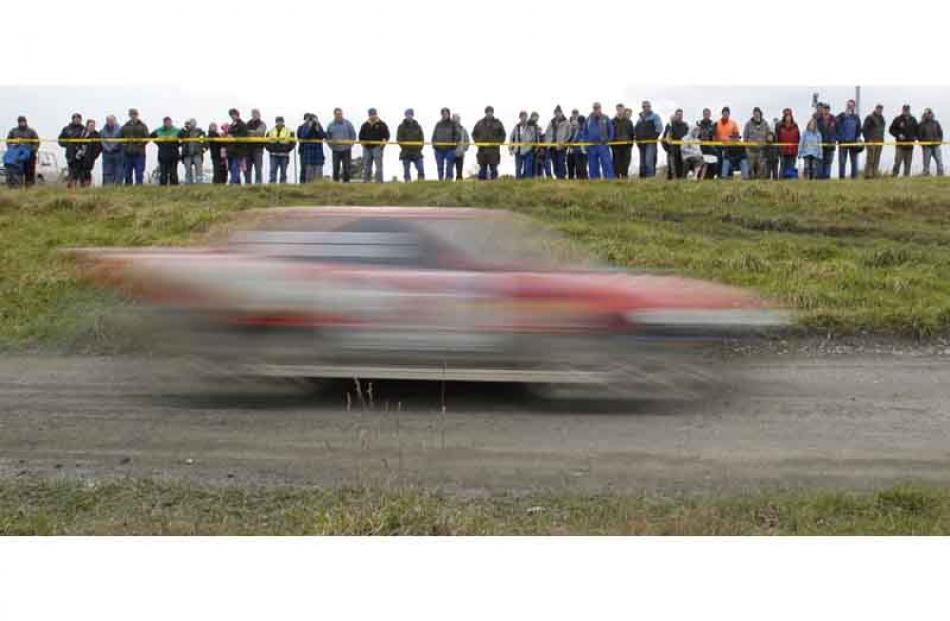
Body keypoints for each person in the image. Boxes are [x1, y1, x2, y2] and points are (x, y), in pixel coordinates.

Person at [471, 106, 505, 180]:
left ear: (493, 113)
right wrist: (478, 142)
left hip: (494, 150)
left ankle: (494, 184)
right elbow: (474, 134)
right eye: (488, 112)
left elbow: (503, 135)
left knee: (494, 169)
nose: (489, 113)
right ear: (485, 113)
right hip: (482, 150)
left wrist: (498, 142)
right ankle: (481, 185)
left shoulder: (498, 123)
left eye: (491, 112)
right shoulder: (479, 123)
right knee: (482, 169)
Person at [580, 102, 613, 179]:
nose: (596, 109)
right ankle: (594, 180)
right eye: (595, 108)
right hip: (591, 146)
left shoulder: (606, 118)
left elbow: (611, 130)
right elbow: (584, 132)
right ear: (593, 109)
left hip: (603, 145)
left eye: (598, 108)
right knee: (592, 165)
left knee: (606, 163)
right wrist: (585, 143)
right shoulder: (588, 119)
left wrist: (608, 141)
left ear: (600, 108)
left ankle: (609, 179)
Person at [358, 108, 390, 183]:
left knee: (378, 166)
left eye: (374, 114)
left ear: (376, 114)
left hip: (377, 147)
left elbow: (387, 135)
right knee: (366, 166)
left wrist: (384, 141)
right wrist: (362, 142)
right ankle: (366, 182)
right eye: (371, 115)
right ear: (369, 115)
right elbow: (360, 136)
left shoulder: (382, 124)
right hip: (366, 148)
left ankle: (379, 182)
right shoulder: (364, 125)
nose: (372, 116)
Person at [7, 116, 39, 186]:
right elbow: (8, 141)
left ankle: (29, 187)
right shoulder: (13, 131)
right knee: (17, 173)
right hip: (17, 155)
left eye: (23, 121)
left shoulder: (31, 131)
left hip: (29, 155)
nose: (22, 123)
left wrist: (32, 150)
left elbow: (37, 142)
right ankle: (17, 187)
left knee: (29, 173)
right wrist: (12, 149)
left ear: (26, 122)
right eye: (20, 122)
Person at [634, 100, 663, 178]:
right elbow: (635, 130)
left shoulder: (655, 116)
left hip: (650, 143)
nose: (645, 108)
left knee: (649, 161)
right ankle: (642, 180)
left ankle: (650, 179)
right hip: (641, 143)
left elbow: (659, 128)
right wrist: (637, 140)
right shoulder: (639, 119)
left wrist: (653, 138)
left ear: (650, 107)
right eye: (644, 106)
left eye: (647, 106)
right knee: (642, 163)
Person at [120, 108, 149, 185]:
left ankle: (139, 187)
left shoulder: (143, 126)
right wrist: (124, 145)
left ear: (137, 115)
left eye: (135, 114)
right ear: (129, 115)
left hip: (139, 153)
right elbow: (120, 138)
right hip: (127, 153)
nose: (133, 116)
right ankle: (128, 189)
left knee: (139, 173)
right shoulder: (125, 126)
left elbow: (147, 138)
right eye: (132, 114)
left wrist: (141, 144)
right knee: (127, 173)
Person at [742, 107, 773, 179]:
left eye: (757, 113)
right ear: (753, 114)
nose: (756, 115)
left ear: (760, 114)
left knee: (761, 168)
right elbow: (745, 136)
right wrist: (746, 147)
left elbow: (769, 133)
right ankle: (750, 180)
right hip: (750, 150)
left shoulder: (765, 124)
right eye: (754, 113)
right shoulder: (748, 124)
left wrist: (770, 137)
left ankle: (760, 181)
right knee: (750, 168)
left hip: (761, 150)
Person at [326, 108, 356, 182]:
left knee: (346, 167)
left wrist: (351, 144)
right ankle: (336, 183)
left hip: (346, 150)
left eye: (340, 114)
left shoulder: (348, 124)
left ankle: (346, 183)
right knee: (336, 168)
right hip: (336, 150)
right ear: (334, 115)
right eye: (337, 114)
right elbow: (328, 137)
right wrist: (331, 146)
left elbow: (353, 135)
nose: (339, 115)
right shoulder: (330, 125)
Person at [430, 107, 460, 181]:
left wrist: (454, 145)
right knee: (440, 166)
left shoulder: (453, 124)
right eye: (443, 114)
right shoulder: (438, 124)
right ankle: (440, 179)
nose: (445, 115)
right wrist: (434, 145)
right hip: (439, 149)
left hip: (450, 149)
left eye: (446, 113)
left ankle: (449, 179)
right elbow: (434, 136)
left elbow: (457, 135)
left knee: (449, 165)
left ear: (449, 114)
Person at [265, 116, 296, 184]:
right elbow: (266, 142)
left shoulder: (289, 131)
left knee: (283, 172)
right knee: (273, 171)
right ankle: (272, 186)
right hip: (273, 155)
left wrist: (287, 149)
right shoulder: (270, 131)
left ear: (283, 122)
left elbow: (293, 142)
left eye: (280, 121)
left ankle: (283, 185)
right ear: (276, 122)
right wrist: (271, 149)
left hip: (284, 155)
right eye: (278, 121)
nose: (279, 123)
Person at [889, 104, 918, 177]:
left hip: (910, 145)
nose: (906, 111)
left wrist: (916, 137)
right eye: (905, 110)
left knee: (908, 163)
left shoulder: (913, 120)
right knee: (898, 161)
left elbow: (917, 130)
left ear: (909, 110)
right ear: (902, 110)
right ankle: (894, 175)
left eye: (907, 110)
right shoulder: (898, 119)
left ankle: (906, 177)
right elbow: (891, 129)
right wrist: (898, 135)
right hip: (900, 145)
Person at [150, 117, 180, 186]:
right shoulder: (159, 130)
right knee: (163, 173)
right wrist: (159, 144)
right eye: (166, 122)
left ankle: (175, 187)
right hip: (163, 154)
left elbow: (182, 138)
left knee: (173, 172)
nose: (168, 124)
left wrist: (177, 145)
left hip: (173, 154)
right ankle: (162, 187)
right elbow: (151, 136)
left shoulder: (177, 130)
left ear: (171, 122)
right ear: (164, 123)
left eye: (169, 122)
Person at [396, 108, 425, 181]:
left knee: (420, 168)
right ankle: (407, 182)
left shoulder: (418, 126)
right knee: (406, 170)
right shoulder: (401, 127)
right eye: (407, 115)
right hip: (406, 152)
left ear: (413, 115)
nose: (409, 116)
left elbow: (422, 139)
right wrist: (405, 147)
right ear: (405, 116)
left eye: (410, 114)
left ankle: (421, 182)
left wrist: (419, 147)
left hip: (417, 151)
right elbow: (399, 139)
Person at [58, 113, 86, 188]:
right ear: (72, 119)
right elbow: (60, 140)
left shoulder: (84, 129)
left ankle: (82, 187)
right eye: (75, 118)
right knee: (72, 171)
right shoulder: (66, 129)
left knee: (81, 171)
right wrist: (67, 144)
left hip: (81, 153)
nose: (77, 120)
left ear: (81, 120)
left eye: (78, 119)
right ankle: (71, 187)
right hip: (70, 153)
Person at [836, 99, 862, 178]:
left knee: (854, 161)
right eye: (848, 105)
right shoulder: (841, 115)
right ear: (846, 106)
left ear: (854, 107)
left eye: (851, 105)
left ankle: (854, 177)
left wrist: (858, 137)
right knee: (842, 162)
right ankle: (842, 177)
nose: (850, 107)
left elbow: (859, 129)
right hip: (843, 142)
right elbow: (835, 124)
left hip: (853, 142)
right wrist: (838, 138)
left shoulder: (856, 117)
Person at [297, 113, 326, 182]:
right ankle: (307, 186)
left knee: (318, 173)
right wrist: (310, 127)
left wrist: (317, 128)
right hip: (308, 153)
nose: (312, 121)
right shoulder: (303, 127)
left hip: (318, 152)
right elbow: (305, 136)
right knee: (308, 173)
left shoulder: (318, 126)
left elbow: (322, 136)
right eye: (310, 119)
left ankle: (318, 187)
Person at [509, 111, 538, 179]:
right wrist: (510, 149)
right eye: (522, 116)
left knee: (528, 168)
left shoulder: (531, 127)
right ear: (520, 118)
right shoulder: (516, 127)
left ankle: (528, 183)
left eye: (525, 116)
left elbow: (535, 138)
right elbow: (511, 138)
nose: (523, 118)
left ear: (527, 117)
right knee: (518, 168)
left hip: (528, 150)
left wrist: (535, 147)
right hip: (518, 151)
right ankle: (518, 182)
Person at [544, 105, 571, 179]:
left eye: (558, 112)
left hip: (561, 146)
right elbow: (547, 133)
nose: (557, 114)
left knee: (561, 162)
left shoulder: (566, 122)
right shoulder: (551, 122)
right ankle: (557, 176)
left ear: (561, 113)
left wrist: (564, 143)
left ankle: (562, 177)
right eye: (555, 113)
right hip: (552, 146)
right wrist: (548, 143)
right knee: (554, 162)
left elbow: (569, 134)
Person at [661, 108, 689, 179]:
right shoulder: (670, 125)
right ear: (675, 115)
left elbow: (688, 137)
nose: (680, 116)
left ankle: (681, 180)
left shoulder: (685, 125)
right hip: (672, 150)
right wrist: (667, 149)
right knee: (672, 168)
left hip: (682, 150)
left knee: (681, 166)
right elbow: (664, 138)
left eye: (681, 115)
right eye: (678, 115)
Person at [74, 119, 102, 187]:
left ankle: (87, 186)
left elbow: (99, 147)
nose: (92, 127)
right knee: (79, 172)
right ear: (87, 126)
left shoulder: (96, 135)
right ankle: (80, 185)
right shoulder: (81, 133)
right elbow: (76, 142)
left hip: (89, 157)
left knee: (87, 172)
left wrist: (94, 156)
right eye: (91, 125)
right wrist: (77, 150)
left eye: (93, 126)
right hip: (80, 156)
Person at [178, 119, 206, 184]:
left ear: (196, 124)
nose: (192, 124)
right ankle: (188, 183)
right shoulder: (184, 132)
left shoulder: (200, 132)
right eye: (190, 123)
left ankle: (199, 183)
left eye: (193, 123)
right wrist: (185, 128)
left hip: (197, 154)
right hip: (187, 154)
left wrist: (202, 150)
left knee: (199, 170)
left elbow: (205, 142)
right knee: (188, 170)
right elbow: (179, 136)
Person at [862, 104, 886, 179]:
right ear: (875, 109)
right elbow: (864, 129)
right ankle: (868, 174)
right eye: (878, 109)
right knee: (870, 158)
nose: (879, 110)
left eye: (881, 109)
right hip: (871, 141)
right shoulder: (870, 117)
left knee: (877, 158)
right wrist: (867, 139)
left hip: (879, 141)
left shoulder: (882, 118)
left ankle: (875, 174)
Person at [610, 103, 634, 178]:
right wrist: (612, 143)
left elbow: (632, 133)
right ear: (616, 110)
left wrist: (630, 144)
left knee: (625, 164)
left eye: (621, 109)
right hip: (616, 146)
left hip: (626, 146)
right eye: (618, 109)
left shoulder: (629, 122)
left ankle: (625, 178)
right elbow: (610, 133)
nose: (620, 111)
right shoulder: (612, 121)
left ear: (624, 110)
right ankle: (616, 179)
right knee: (616, 164)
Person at [714, 107, 739, 178]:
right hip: (719, 146)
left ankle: (730, 175)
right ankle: (719, 175)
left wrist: (733, 141)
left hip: (729, 146)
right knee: (719, 161)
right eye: (724, 113)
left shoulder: (733, 123)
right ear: (722, 114)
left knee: (729, 161)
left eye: (727, 113)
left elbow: (736, 134)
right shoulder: (717, 123)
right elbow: (714, 135)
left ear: (729, 114)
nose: (725, 114)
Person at [918, 108, 944, 177]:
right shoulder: (921, 124)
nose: (928, 115)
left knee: (939, 161)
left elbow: (940, 133)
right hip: (927, 146)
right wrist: (923, 144)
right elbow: (919, 136)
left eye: (929, 113)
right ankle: (926, 173)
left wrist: (939, 141)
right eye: (926, 114)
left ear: (931, 114)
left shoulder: (936, 123)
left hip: (936, 145)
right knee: (926, 162)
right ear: (925, 115)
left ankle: (940, 174)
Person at [775, 109, 800, 178]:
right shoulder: (779, 126)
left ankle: (790, 181)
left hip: (793, 150)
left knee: (791, 166)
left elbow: (798, 137)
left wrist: (797, 149)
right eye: (786, 116)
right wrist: (778, 149)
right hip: (782, 150)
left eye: (789, 115)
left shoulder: (795, 126)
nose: (788, 117)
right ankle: (781, 180)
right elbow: (776, 138)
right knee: (783, 166)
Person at [99, 115, 123, 186]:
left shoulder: (120, 130)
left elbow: (119, 140)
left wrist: (112, 147)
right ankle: (108, 186)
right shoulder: (103, 130)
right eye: (108, 120)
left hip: (117, 152)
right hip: (106, 153)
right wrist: (107, 148)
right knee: (107, 170)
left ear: (115, 121)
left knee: (119, 170)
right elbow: (102, 140)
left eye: (112, 120)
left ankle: (118, 186)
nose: (110, 122)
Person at [226, 108, 248, 185]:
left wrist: (233, 137)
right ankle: (237, 184)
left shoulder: (242, 125)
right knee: (232, 168)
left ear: (237, 115)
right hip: (231, 151)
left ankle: (232, 183)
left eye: (233, 115)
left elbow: (244, 136)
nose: (232, 116)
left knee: (235, 167)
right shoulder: (231, 125)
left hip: (239, 151)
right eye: (231, 115)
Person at [814, 103, 836, 179]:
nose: (826, 110)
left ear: (829, 110)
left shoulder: (834, 119)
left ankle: (827, 177)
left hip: (830, 144)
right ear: (822, 110)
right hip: (820, 144)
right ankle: (819, 177)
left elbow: (837, 131)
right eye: (825, 109)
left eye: (827, 109)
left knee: (828, 161)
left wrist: (834, 139)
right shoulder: (817, 119)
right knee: (820, 161)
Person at [244, 109, 266, 185]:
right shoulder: (247, 123)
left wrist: (250, 132)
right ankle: (247, 184)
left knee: (258, 168)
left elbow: (260, 132)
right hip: (248, 149)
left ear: (259, 115)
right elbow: (244, 132)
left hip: (258, 149)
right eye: (253, 113)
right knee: (247, 169)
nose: (254, 115)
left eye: (256, 113)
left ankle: (258, 184)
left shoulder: (262, 124)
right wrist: (254, 132)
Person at [696, 108, 717, 178]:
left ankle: (711, 176)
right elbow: (697, 135)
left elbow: (714, 136)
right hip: (701, 147)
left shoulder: (713, 124)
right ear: (703, 114)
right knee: (701, 163)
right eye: (705, 114)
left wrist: (713, 145)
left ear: (710, 115)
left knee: (711, 162)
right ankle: (699, 176)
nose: (706, 115)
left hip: (710, 147)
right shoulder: (699, 123)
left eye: (708, 114)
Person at [567, 113, 588, 180]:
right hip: (577, 151)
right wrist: (572, 143)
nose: (580, 123)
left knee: (583, 167)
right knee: (578, 167)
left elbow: (586, 138)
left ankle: (584, 179)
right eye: (579, 121)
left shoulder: (586, 129)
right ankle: (579, 180)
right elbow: (574, 139)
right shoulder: (577, 130)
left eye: (581, 121)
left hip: (584, 151)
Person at [452, 113, 469, 181]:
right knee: (449, 169)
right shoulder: (449, 129)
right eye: (454, 119)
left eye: (457, 119)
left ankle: (459, 181)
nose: (456, 120)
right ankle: (448, 182)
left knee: (459, 170)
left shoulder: (463, 130)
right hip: (450, 152)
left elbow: (467, 140)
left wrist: (464, 148)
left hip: (460, 152)